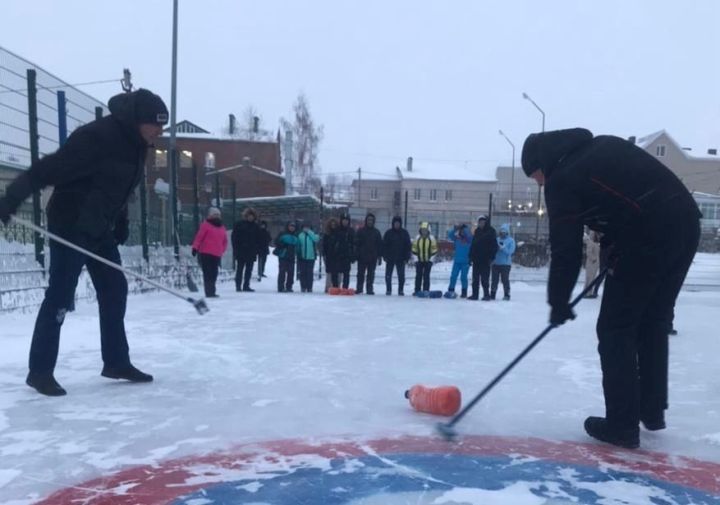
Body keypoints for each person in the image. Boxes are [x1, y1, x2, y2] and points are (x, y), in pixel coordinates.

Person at [521, 127, 701, 449]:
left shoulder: (562, 178)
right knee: (654, 321)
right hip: (686, 222)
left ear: (542, 163)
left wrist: (558, 301)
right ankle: (650, 408)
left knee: (615, 328)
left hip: (650, 234)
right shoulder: (602, 146)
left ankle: (621, 424)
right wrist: (619, 240)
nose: (539, 184)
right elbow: (627, 201)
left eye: (536, 177)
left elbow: (565, 248)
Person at [0, 88, 168, 396]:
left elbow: (117, 187)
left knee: (115, 288)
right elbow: (46, 169)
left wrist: (120, 221)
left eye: (162, 126)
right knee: (61, 295)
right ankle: (40, 371)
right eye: (156, 124)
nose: (159, 131)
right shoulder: (96, 137)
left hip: (98, 225)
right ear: (137, 120)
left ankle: (116, 362)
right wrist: (10, 199)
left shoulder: (137, 145)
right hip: (70, 223)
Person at [192, 207, 228, 298]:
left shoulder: (222, 227)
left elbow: (225, 241)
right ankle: (209, 291)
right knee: (208, 272)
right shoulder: (205, 225)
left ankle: (212, 290)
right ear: (210, 216)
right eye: (215, 215)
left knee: (214, 273)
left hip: (216, 253)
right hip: (205, 253)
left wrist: (222, 250)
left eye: (218, 215)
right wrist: (195, 248)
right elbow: (199, 237)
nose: (217, 216)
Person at [231, 207, 260, 292]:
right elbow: (234, 237)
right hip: (241, 250)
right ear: (246, 216)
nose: (251, 217)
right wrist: (236, 248)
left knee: (249, 269)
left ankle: (246, 285)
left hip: (251, 251)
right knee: (240, 269)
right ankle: (238, 286)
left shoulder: (255, 226)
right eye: (249, 216)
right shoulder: (239, 224)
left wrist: (256, 249)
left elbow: (258, 239)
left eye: (252, 216)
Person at [469, 215, 498, 300]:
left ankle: (486, 295)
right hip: (476, 259)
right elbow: (473, 245)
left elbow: (494, 246)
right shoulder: (477, 231)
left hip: (486, 259)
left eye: (483, 222)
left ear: (486, 222)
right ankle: (475, 295)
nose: (481, 224)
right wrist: (470, 256)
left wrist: (491, 257)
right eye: (480, 222)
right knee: (475, 279)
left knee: (485, 279)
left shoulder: (491, 231)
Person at [382, 216, 412, 296]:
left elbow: (408, 246)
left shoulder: (405, 233)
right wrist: (384, 256)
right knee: (388, 275)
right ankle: (388, 290)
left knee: (401, 276)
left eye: (398, 223)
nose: (397, 225)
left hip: (401, 258)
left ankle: (401, 290)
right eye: (395, 223)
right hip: (390, 258)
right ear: (393, 223)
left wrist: (407, 257)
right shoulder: (388, 233)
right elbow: (384, 245)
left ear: (400, 224)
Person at [355, 213, 383, 295]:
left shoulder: (377, 232)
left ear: (374, 221)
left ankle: (369, 289)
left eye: (371, 220)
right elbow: (356, 244)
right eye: (368, 220)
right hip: (362, 257)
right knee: (360, 274)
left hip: (372, 257)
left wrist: (379, 256)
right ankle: (359, 288)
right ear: (366, 221)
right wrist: (357, 254)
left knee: (371, 275)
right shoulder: (360, 231)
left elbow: (379, 245)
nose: (370, 222)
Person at [445, 223, 472, 298]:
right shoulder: (457, 238)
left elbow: (469, 236)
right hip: (457, 262)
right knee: (453, 276)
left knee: (463, 277)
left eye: (464, 231)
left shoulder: (469, 240)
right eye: (461, 231)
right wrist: (455, 229)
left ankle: (464, 291)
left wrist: (464, 228)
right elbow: (450, 235)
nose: (462, 232)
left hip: (466, 262)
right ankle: (451, 289)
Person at [491, 223, 515, 300]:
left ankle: (507, 294)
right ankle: (492, 294)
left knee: (505, 280)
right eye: (501, 232)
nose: (503, 234)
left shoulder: (511, 241)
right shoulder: (496, 239)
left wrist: (503, 248)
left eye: (504, 232)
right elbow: (492, 250)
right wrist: (496, 248)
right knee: (494, 280)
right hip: (495, 263)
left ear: (507, 232)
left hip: (506, 264)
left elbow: (510, 251)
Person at [412, 222, 438, 294]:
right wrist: (416, 260)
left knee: (426, 276)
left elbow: (434, 251)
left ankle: (426, 290)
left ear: (428, 230)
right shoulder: (417, 238)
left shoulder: (431, 239)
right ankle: (417, 290)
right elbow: (414, 250)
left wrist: (431, 261)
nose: (424, 232)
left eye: (425, 230)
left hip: (428, 261)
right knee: (418, 276)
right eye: (422, 230)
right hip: (419, 261)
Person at [274, 221, 298, 292]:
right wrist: (283, 245)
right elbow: (276, 242)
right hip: (283, 255)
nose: (292, 228)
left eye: (293, 226)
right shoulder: (282, 234)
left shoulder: (296, 235)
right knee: (282, 272)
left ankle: (289, 286)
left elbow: (297, 245)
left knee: (291, 272)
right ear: (288, 226)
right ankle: (280, 287)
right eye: (291, 226)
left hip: (291, 256)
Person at [333, 214, 355, 289]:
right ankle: (335, 287)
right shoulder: (337, 230)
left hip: (347, 255)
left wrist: (353, 255)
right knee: (335, 272)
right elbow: (333, 242)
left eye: (346, 220)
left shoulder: (351, 231)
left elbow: (354, 244)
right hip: (337, 255)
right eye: (343, 220)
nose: (345, 222)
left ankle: (345, 287)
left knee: (346, 273)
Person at [296, 223, 320, 292]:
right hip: (302, 257)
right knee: (303, 272)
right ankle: (303, 287)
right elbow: (298, 245)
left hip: (311, 257)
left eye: (308, 227)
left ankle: (309, 287)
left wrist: (309, 232)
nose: (306, 229)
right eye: (304, 227)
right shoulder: (300, 235)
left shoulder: (313, 234)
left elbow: (316, 239)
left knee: (310, 273)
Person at [322, 217, 339, 292]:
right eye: (332, 224)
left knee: (337, 273)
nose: (333, 225)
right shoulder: (326, 235)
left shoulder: (338, 234)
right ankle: (328, 288)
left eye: (334, 224)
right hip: (329, 256)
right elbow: (324, 246)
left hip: (337, 256)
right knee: (329, 273)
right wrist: (324, 255)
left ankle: (336, 287)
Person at [583, 228, 601, 298]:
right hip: (591, 263)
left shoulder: (596, 243)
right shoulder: (590, 242)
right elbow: (589, 252)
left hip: (595, 264)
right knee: (589, 279)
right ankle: (587, 293)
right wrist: (594, 259)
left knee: (592, 278)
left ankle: (589, 292)